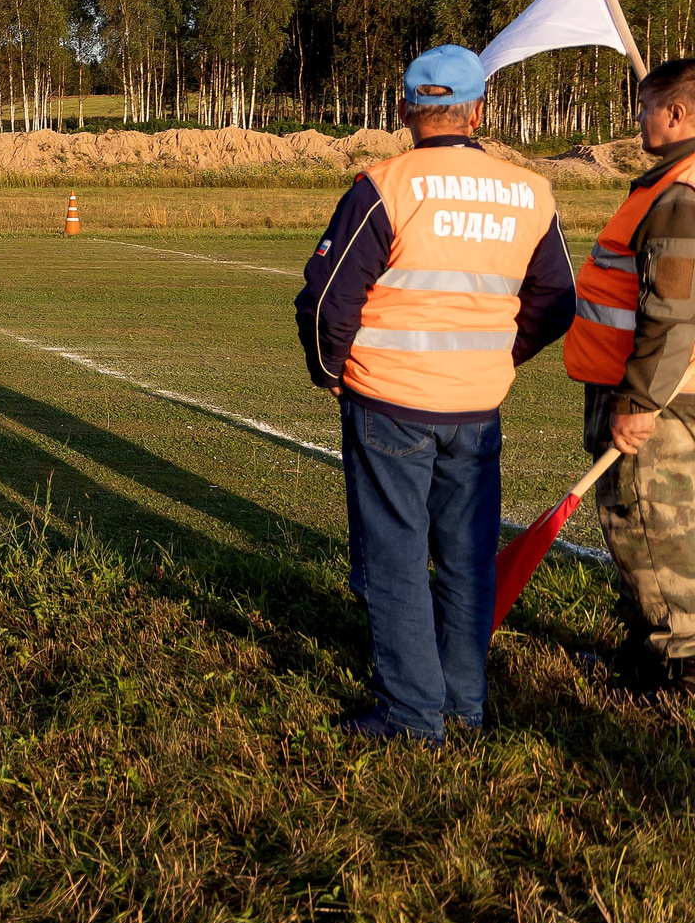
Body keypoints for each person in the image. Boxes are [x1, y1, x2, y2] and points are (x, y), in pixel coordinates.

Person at [295, 44, 574, 744]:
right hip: (476, 406)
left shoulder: (385, 185)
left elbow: (327, 298)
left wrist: (331, 370)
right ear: (479, 113)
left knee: (394, 557)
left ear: (404, 111)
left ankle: (411, 713)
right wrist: (501, 354)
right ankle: (463, 704)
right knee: (467, 558)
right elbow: (556, 300)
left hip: (389, 400)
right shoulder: (530, 191)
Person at [566, 57, 695, 690]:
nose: (638, 118)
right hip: (671, 387)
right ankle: (652, 645)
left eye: (646, 107)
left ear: (677, 112)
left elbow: (671, 311)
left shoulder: (679, 195)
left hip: (658, 395)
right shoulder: (673, 183)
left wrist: (638, 401)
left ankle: (675, 666)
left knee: (646, 523)